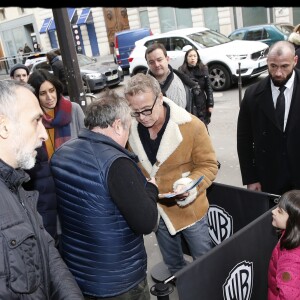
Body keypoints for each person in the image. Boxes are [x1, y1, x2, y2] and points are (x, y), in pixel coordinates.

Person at [49, 89, 159, 299]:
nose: (128, 134)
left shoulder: (62, 154)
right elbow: (147, 222)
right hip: (119, 280)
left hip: (79, 273)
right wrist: (151, 189)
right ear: (118, 125)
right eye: (128, 127)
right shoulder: (117, 163)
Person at [124, 73, 218, 275]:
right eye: (135, 112)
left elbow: (209, 165)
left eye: (147, 110)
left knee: (204, 263)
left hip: (190, 210)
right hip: (157, 212)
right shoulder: (129, 131)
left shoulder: (191, 126)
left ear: (160, 98)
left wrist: (189, 185)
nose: (142, 117)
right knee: (173, 267)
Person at [0, 80, 84, 299]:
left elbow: (45, 251)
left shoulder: (15, 182)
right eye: (35, 120)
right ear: (3, 126)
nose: (44, 134)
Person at [25, 69, 85, 243]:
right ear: (35, 96)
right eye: (43, 93)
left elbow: (88, 147)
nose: (49, 97)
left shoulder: (73, 110)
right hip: (47, 191)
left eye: (52, 91)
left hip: (74, 186)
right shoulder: (32, 120)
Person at [237, 41, 300, 195]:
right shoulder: (252, 94)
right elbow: (244, 140)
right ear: (267, 62)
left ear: (295, 61)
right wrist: (251, 178)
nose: (278, 73)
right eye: (273, 66)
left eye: (284, 66)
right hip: (269, 177)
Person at [145, 42, 199, 110]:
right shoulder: (141, 87)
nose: (156, 64)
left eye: (159, 60)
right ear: (148, 64)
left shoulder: (182, 83)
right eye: (151, 62)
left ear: (167, 59)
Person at [268, 190, 300, 299]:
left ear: (293, 221)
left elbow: (288, 296)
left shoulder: (289, 260)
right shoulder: (293, 234)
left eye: (280, 211)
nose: (273, 211)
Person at [178, 48, 214, 126]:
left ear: (197, 58)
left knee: (203, 127)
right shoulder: (181, 70)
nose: (192, 58)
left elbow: (209, 88)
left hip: (201, 103)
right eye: (190, 56)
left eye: (195, 56)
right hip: (188, 103)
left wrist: (210, 104)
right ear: (186, 58)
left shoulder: (203, 69)